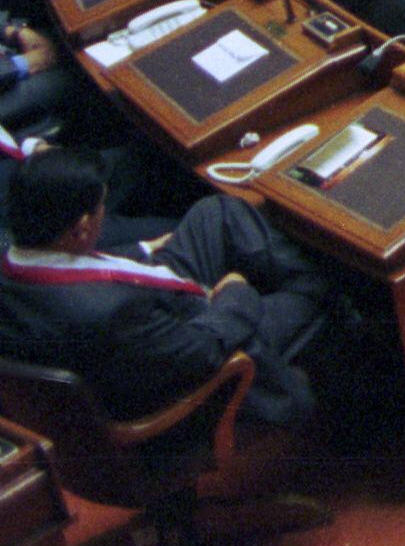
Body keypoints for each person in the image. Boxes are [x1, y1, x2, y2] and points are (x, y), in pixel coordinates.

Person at [0, 147, 348, 430]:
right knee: (314, 286)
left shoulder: (16, 261)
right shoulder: (111, 313)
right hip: (191, 358)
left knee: (217, 213)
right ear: (81, 228)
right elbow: (205, 349)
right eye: (102, 205)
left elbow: (69, 267)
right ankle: (353, 350)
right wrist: (235, 293)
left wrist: (142, 251)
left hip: (148, 330)